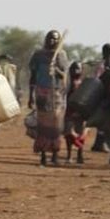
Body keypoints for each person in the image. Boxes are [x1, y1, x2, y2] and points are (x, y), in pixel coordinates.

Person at [28, 30, 69, 166]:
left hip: (56, 93)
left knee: (56, 127)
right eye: (49, 38)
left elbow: (64, 75)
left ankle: (55, 155)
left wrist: (55, 70)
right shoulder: (38, 55)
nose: (52, 41)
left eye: (55, 39)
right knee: (43, 126)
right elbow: (33, 75)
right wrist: (30, 95)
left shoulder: (61, 55)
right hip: (41, 92)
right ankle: (43, 155)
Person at [63, 61, 86, 165]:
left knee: (81, 134)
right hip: (69, 111)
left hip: (80, 112)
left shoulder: (84, 83)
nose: (76, 71)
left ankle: (80, 155)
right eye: (74, 69)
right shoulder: (67, 83)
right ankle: (69, 155)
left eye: (78, 69)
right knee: (69, 134)